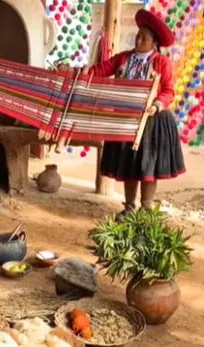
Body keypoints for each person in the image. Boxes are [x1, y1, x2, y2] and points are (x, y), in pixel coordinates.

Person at [60, 9, 185, 218]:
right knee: (129, 164)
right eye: (137, 36)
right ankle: (129, 207)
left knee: (147, 165)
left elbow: (169, 90)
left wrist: (156, 105)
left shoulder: (161, 63)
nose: (138, 40)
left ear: (154, 43)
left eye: (144, 38)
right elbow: (100, 69)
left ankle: (145, 209)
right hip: (125, 120)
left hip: (151, 121)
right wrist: (76, 71)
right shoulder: (124, 58)